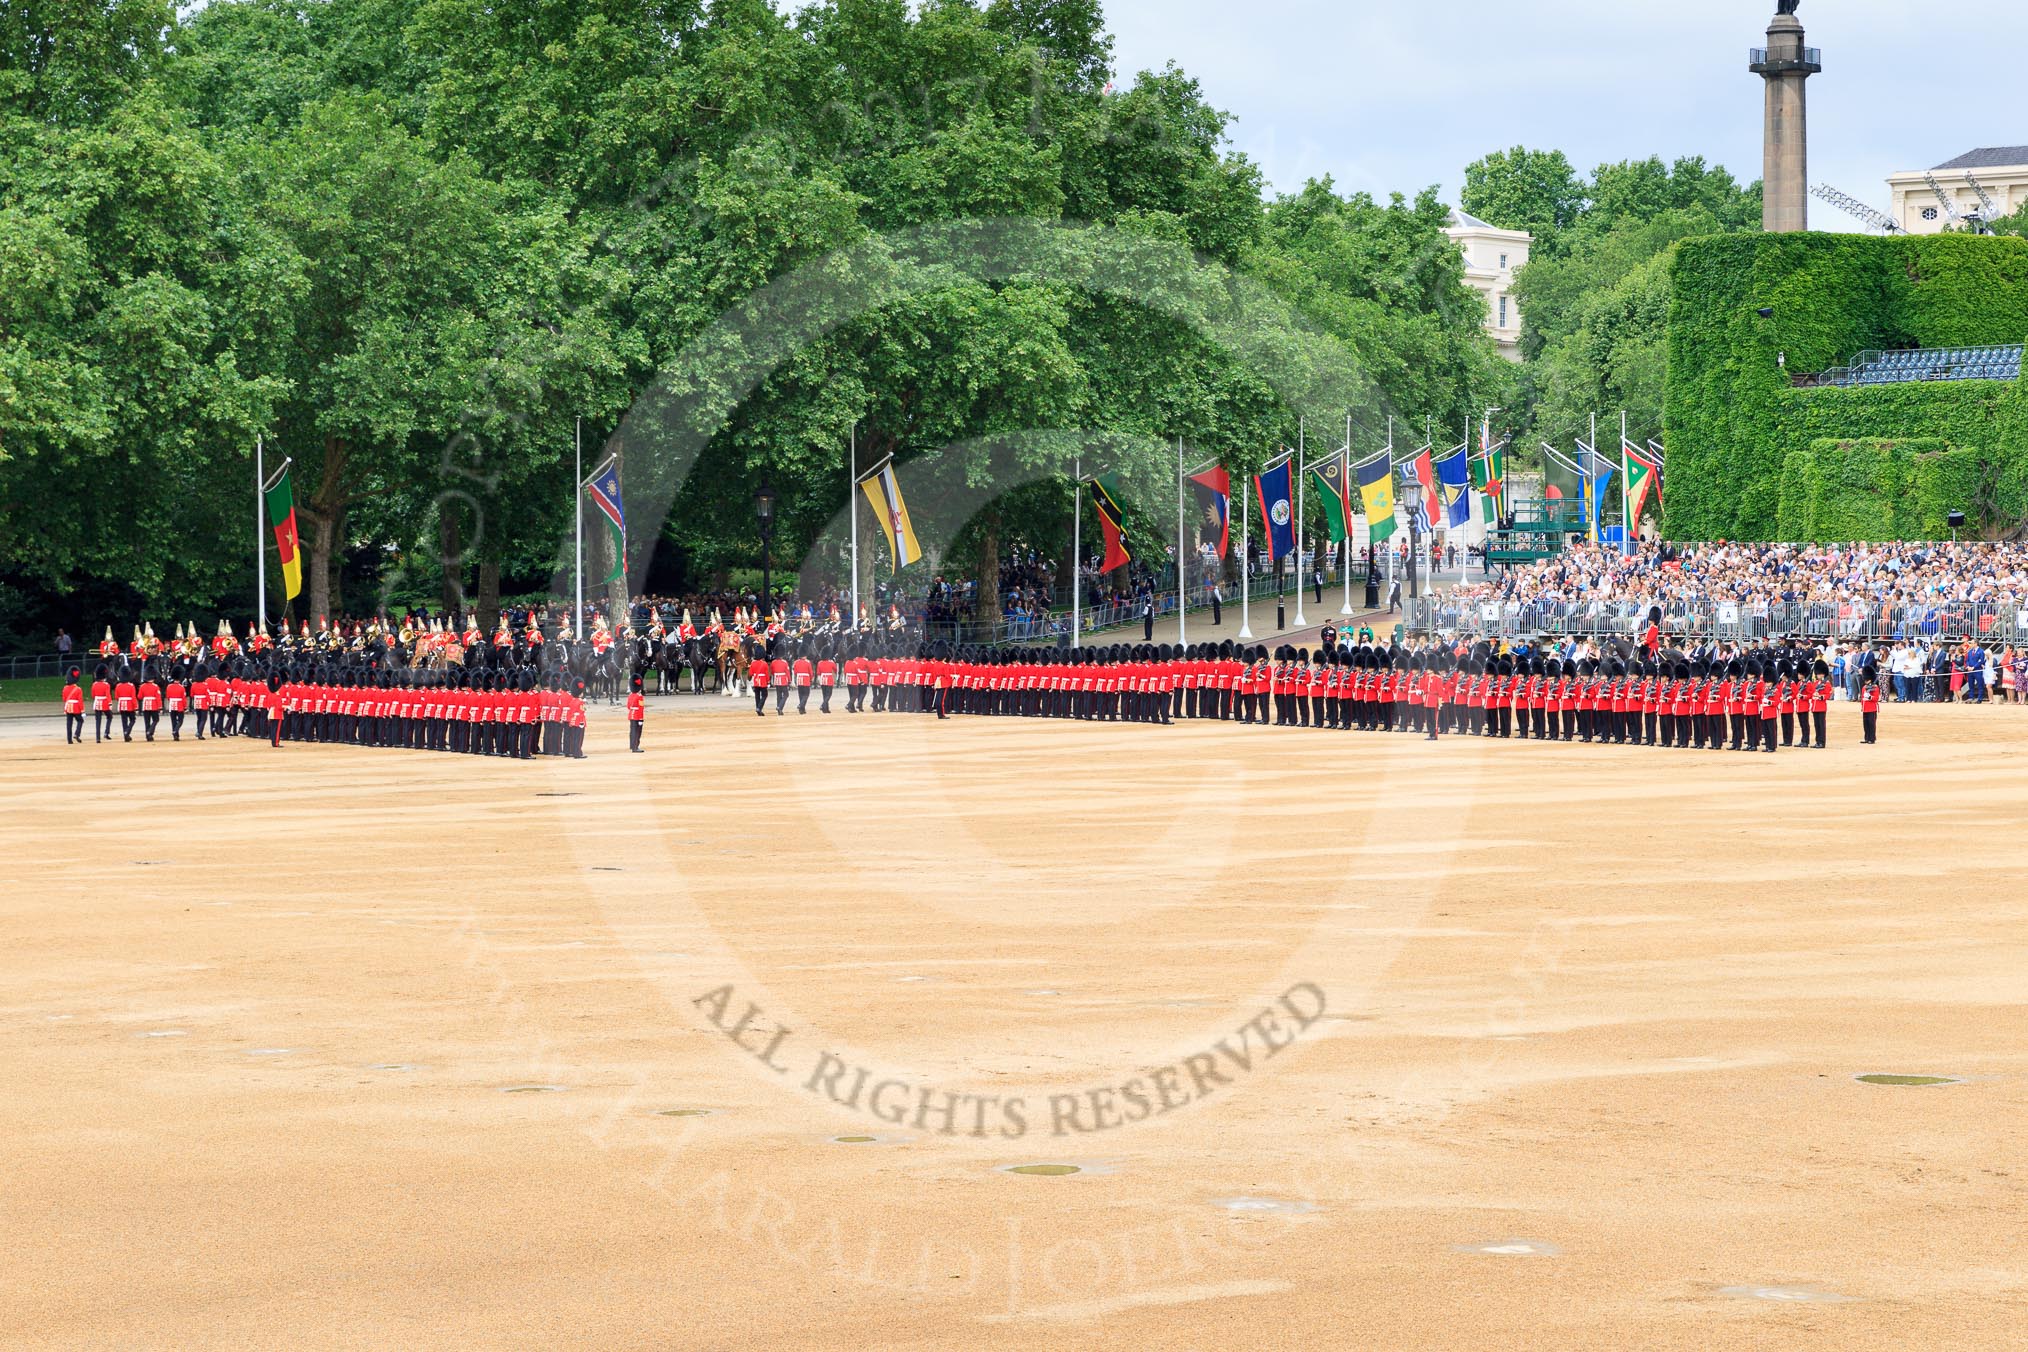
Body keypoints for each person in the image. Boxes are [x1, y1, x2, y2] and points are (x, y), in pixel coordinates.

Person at [61, 668, 84, 743]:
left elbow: (64, 699)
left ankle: (69, 740)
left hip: (68, 707)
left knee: (69, 724)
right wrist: (82, 710)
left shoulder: (65, 688)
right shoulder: (78, 689)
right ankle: (77, 734)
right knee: (80, 720)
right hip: (76, 707)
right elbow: (80, 701)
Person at [1860, 669, 1881, 744]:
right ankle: (1866, 738)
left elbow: (1876, 699)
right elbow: (1862, 699)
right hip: (1865, 708)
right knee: (1865, 724)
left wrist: (1870, 697)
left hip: (1872, 709)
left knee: (1871, 724)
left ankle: (1872, 739)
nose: (1866, 681)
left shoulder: (1875, 687)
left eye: (1867, 680)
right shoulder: (1864, 688)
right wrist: (1862, 708)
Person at [626, 674, 645, 752]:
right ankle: (635, 747)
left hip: (631, 715)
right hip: (637, 716)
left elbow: (628, 706)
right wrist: (641, 719)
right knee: (637, 732)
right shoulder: (639, 696)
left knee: (632, 731)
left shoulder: (630, 696)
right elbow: (641, 708)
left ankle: (632, 745)